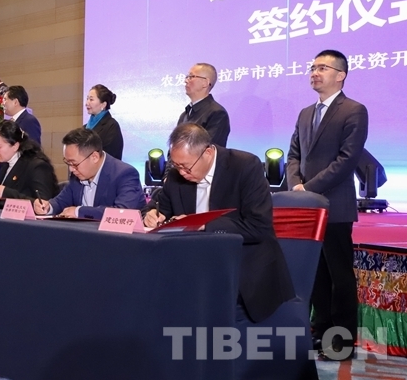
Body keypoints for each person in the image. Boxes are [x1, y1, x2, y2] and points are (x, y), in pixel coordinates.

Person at [143, 123, 294, 324]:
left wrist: (203, 225)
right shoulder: (176, 175)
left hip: (241, 267)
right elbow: (159, 205)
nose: (182, 172)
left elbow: (259, 227)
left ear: (207, 152)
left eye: (186, 166)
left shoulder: (245, 166)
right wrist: (151, 214)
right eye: (176, 165)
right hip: (193, 269)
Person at [286, 49, 368, 359]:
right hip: (306, 207)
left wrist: (308, 188)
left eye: (322, 67)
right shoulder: (306, 113)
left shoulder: (354, 110)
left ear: (340, 75)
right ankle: (320, 333)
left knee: (339, 277)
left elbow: (346, 160)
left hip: (335, 207)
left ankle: (342, 343)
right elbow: (294, 154)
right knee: (316, 275)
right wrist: (296, 185)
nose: (314, 73)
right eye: (313, 67)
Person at [33, 128, 143, 219]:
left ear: (94, 157)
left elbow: (123, 213)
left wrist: (79, 212)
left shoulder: (125, 174)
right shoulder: (77, 174)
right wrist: (48, 207)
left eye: (74, 163)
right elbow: (61, 201)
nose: (71, 169)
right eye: (68, 163)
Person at [0, 120, 58, 201]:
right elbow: (2, 198)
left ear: (15, 146)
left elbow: (43, 204)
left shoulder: (37, 167)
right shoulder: (5, 164)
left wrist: (5, 193)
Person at [178, 63, 230, 147]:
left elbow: (209, 148)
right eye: (187, 77)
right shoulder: (185, 114)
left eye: (191, 76)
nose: (186, 80)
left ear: (205, 83)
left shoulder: (217, 113)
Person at [84, 84, 123, 160]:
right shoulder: (84, 128)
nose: (87, 103)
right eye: (87, 99)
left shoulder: (111, 126)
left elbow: (110, 156)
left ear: (103, 104)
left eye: (91, 99)